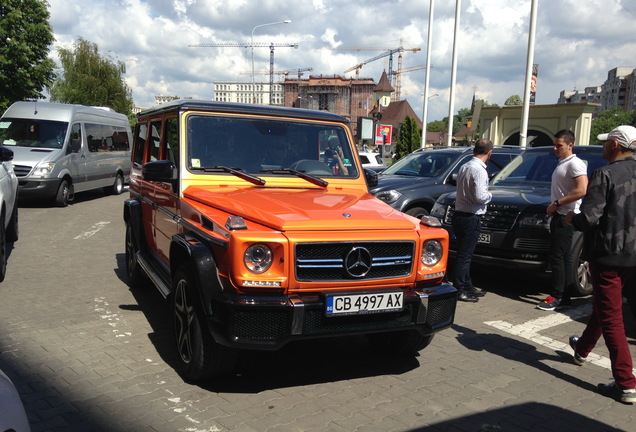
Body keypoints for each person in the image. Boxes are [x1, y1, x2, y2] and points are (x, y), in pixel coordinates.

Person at [565, 125, 636, 404]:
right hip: (632, 255)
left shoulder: (604, 174)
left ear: (616, 145)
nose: (604, 147)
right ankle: (582, 349)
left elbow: (590, 217)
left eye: (607, 143)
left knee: (612, 317)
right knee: (605, 306)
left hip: (608, 254)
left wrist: (573, 219)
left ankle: (625, 383)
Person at [537, 130, 588, 311]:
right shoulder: (563, 163)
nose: (555, 148)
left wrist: (557, 204)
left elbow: (581, 190)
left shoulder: (575, 164)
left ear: (570, 145)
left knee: (557, 257)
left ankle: (557, 296)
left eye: (559, 145)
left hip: (566, 216)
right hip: (560, 215)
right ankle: (564, 297)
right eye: (555, 144)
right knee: (563, 257)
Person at [452, 139, 493, 302]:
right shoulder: (480, 170)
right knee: (465, 255)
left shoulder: (465, 166)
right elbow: (480, 197)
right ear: (489, 153)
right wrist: (490, 194)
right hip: (470, 217)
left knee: (464, 253)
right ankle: (459, 288)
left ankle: (468, 286)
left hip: (460, 214)